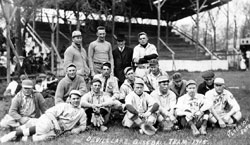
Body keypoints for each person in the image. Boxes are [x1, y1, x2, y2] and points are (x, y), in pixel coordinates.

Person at [0, 90, 87, 143]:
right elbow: (49, 112)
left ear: (80, 99)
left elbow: (83, 125)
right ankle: (12, 134)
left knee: (42, 138)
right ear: (70, 99)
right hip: (49, 121)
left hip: (59, 130)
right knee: (43, 128)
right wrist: (56, 124)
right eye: (74, 98)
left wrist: (78, 129)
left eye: (77, 98)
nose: (76, 100)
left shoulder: (81, 112)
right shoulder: (64, 105)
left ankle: (18, 138)